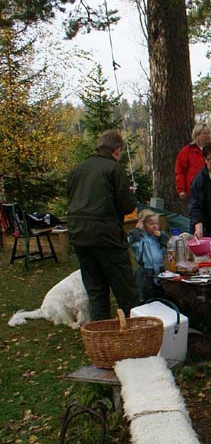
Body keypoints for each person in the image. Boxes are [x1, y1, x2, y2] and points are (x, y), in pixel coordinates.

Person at [67, 130, 139, 320]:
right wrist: (130, 194)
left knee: (96, 291)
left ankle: (102, 334)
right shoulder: (114, 169)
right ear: (117, 150)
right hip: (107, 237)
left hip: (79, 237)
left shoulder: (77, 170)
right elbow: (125, 205)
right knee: (126, 290)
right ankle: (136, 333)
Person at [174, 123, 211, 201]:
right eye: (205, 134)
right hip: (195, 190)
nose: (208, 136)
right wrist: (181, 189)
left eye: (209, 133)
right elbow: (180, 171)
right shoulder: (186, 151)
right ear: (197, 135)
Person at [128, 209, 169, 302]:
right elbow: (132, 240)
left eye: (156, 223)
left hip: (159, 270)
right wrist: (137, 229)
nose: (155, 226)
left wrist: (161, 236)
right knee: (146, 296)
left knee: (161, 295)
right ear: (143, 224)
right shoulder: (139, 237)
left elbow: (168, 244)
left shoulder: (157, 236)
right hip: (145, 272)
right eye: (151, 224)